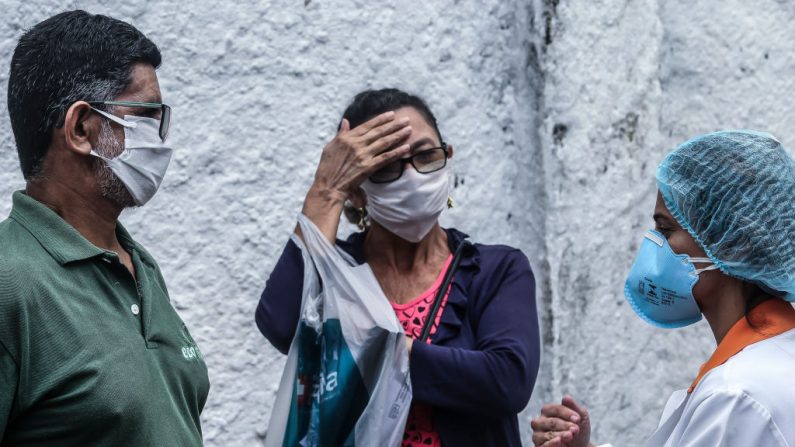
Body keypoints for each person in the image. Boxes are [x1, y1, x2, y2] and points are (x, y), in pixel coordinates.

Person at [256, 88, 540, 447]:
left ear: (447, 157)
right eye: (387, 166)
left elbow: (507, 381)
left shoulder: (495, 270)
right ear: (357, 192)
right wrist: (326, 190)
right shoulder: (339, 272)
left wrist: (376, 348)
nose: (412, 176)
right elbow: (280, 324)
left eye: (426, 156)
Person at [0, 11, 209, 446]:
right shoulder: (9, 281)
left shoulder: (141, 269)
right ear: (81, 128)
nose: (161, 138)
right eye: (147, 115)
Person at [532, 130, 795, 446]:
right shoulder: (772, 359)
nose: (653, 246)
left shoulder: (736, 397)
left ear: (733, 246)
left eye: (666, 230)